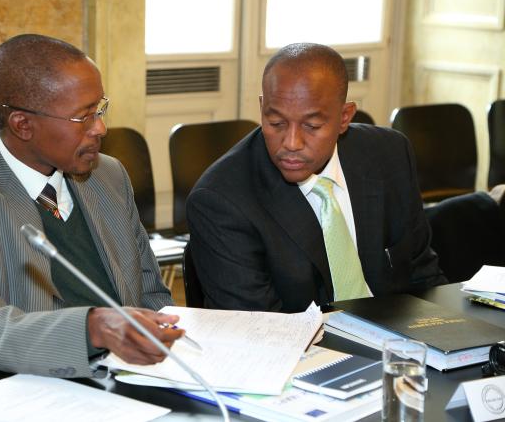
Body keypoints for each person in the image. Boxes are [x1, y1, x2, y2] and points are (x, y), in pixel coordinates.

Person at [0, 34, 182, 378]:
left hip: (132, 378)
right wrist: (92, 328)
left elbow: (150, 293)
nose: (100, 128)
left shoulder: (108, 175)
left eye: (99, 109)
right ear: (23, 125)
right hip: (33, 388)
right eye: (82, 117)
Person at [186, 43, 447, 313]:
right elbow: (258, 331)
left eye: (311, 126)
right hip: (299, 350)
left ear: (344, 117)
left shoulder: (388, 154)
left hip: (395, 345)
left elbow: (422, 277)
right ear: (262, 107)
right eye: (276, 123)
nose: (291, 142)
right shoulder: (221, 200)